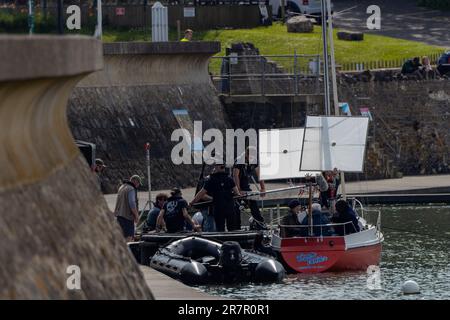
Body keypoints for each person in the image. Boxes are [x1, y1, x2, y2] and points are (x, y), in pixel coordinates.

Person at [190, 164, 241, 232]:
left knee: (220, 229)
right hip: (230, 208)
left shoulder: (211, 179)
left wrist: (192, 203)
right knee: (232, 228)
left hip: (218, 209)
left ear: (217, 167)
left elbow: (201, 193)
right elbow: (237, 193)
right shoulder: (229, 178)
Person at [233, 146, 266, 229]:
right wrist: (238, 190)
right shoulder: (239, 160)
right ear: (247, 154)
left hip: (246, 185)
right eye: (251, 156)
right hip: (236, 186)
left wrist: (263, 188)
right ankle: (236, 227)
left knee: (253, 203)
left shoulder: (253, 160)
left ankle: (260, 224)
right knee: (236, 207)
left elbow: (260, 174)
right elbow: (235, 175)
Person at [114, 175, 141, 241]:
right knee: (129, 238)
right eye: (138, 184)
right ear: (135, 181)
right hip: (127, 218)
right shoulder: (131, 189)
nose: (138, 186)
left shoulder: (121, 187)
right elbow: (132, 203)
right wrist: (136, 216)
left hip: (119, 216)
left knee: (121, 238)